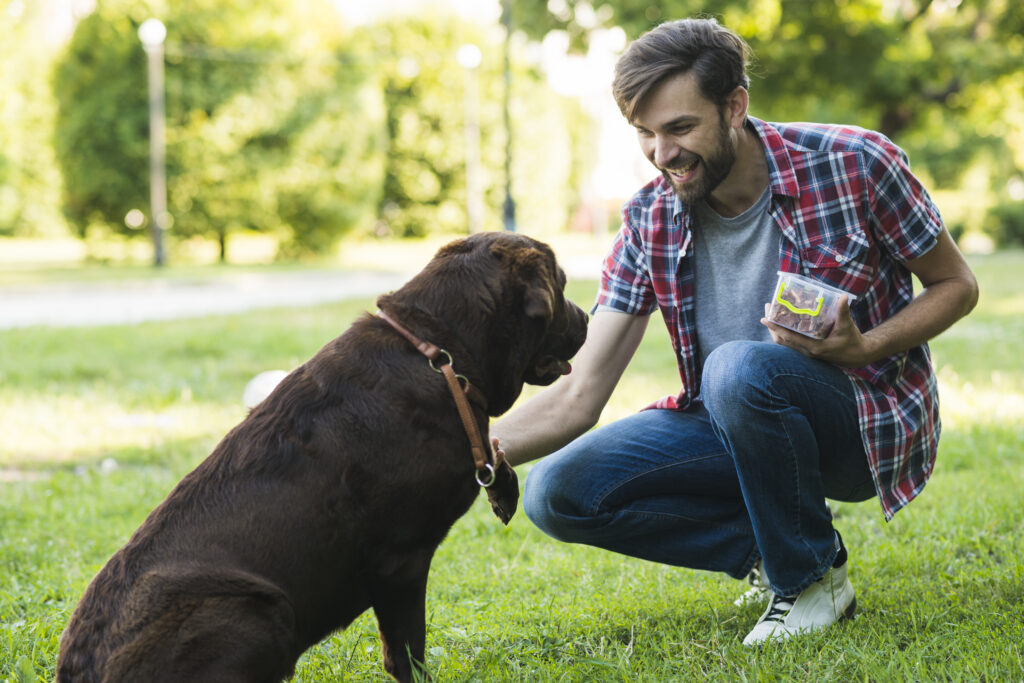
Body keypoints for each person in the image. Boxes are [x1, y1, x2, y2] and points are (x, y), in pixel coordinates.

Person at [490, 17, 978, 646]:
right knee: (557, 492)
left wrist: (867, 344)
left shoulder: (856, 162)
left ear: (735, 106)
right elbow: (581, 393)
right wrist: (464, 449)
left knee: (737, 368)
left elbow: (957, 285)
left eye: (680, 128)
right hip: (731, 419)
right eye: (645, 134)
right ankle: (782, 550)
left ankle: (806, 581)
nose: (663, 155)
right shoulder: (648, 218)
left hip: (859, 418)